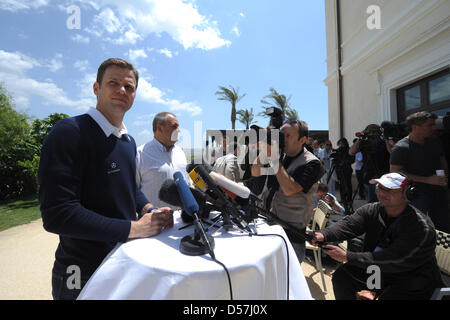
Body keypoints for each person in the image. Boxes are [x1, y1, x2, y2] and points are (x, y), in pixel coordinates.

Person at [38, 58, 174, 300]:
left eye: (129, 87)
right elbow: (57, 214)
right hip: (80, 272)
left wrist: (149, 209)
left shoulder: (127, 142)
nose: (122, 90)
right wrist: (133, 228)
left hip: (123, 261)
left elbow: (129, 188)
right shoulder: (69, 132)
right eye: (113, 83)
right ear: (96, 88)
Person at [311, 172, 444, 300]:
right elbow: (349, 225)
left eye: (390, 190)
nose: (382, 193)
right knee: (343, 276)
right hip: (382, 272)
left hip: (413, 282)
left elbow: (395, 258)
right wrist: (323, 235)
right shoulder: (372, 210)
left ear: (407, 194)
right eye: (380, 188)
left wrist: (348, 256)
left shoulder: (421, 227)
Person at [250, 120, 322, 263]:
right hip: (270, 227)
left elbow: (290, 190)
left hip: (291, 238)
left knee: (285, 283)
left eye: (288, 136)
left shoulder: (312, 163)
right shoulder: (281, 156)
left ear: (302, 140)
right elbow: (255, 172)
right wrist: (264, 153)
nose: (283, 139)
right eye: (282, 135)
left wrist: (275, 159)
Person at [390, 111, 449, 232]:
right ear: (415, 127)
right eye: (430, 125)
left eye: (434, 124)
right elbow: (395, 172)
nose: (434, 128)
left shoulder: (434, 141)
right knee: (417, 228)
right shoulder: (401, 147)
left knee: (444, 226)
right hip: (417, 195)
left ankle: (442, 250)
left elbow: (442, 160)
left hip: (439, 192)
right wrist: (428, 180)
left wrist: (445, 177)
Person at [136, 112, 190, 209]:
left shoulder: (180, 152)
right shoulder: (140, 154)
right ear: (160, 128)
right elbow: (132, 190)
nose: (179, 130)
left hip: (184, 220)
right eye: (175, 126)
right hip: (154, 221)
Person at [349, 124, 391, 203]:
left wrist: (385, 139)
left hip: (384, 175)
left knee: (385, 201)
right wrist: (361, 138)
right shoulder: (365, 143)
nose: (373, 134)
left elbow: (392, 152)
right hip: (369, 174)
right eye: (371, 132)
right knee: (372, 202)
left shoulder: (383, 142)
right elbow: (351, 152)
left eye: (375, 131)